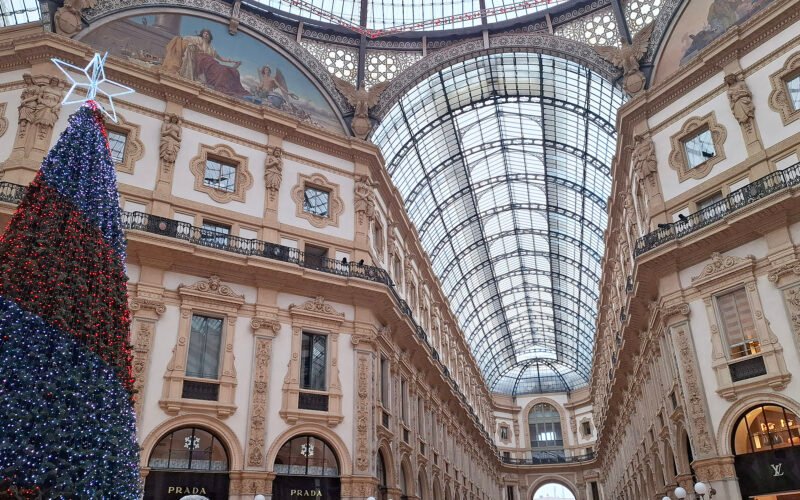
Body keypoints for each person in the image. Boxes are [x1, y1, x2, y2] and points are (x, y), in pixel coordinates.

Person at [162, 28, 248, 96]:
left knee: (226, 70)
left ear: (210, 37)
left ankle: (225, 83)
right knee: (220, 69)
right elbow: (186, 38)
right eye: (204, 33)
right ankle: (220, 84)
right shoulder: (198, 40)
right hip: (201, 61)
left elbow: (221, 58)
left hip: (211, 62)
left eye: (207, 34)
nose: (206, 35)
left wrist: (233, 61)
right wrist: (187, 42)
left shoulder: (211, 48)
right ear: (202, 34)